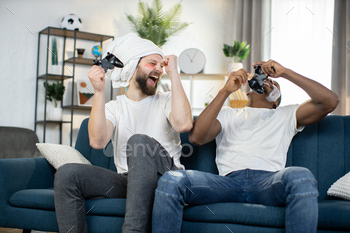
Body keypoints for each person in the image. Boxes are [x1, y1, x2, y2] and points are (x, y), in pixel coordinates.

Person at [152, 59, 339, 233]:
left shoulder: (285, 115)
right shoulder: (227, 113)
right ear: (249, 89)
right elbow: (196, 138)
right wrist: (225, 91)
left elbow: (330, 101)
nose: (267, 81)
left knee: (301, 176)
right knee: (172, 180)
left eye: (274, 84)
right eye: (263, 79)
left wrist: (285, 73)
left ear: (277, 99)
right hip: (226, 183)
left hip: (268, 183)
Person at [53, 33, 193, 233]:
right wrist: (99, 92)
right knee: (68, 174)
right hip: (129, 181)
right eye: (152, 63)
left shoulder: (166, 99)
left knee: (139, 142)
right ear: (131, 66)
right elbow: (97, 141)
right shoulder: (114, 107)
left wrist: (174, 74)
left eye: (161, 66)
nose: (159, 69)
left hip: (167, 178)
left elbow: (184, 124)